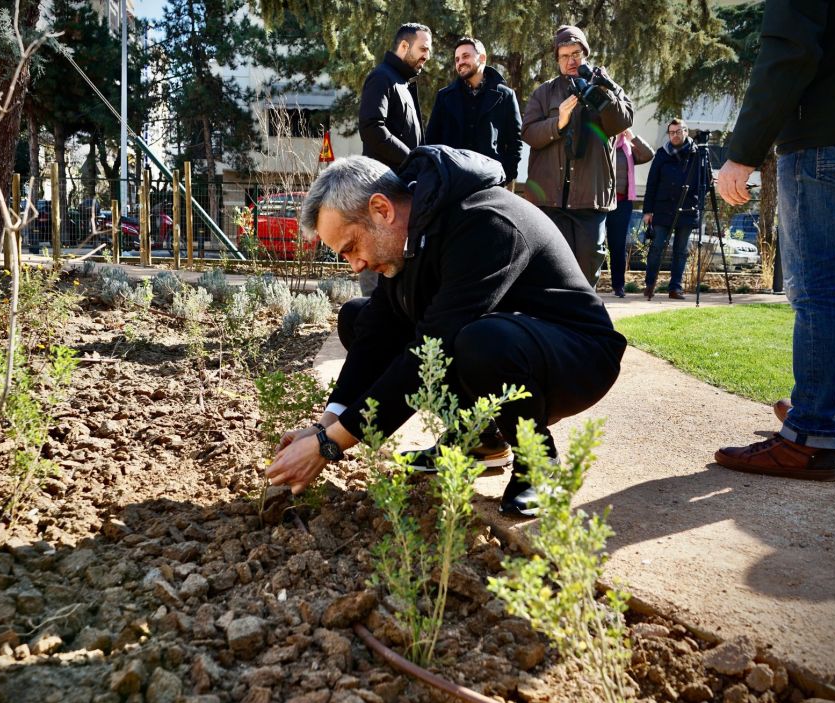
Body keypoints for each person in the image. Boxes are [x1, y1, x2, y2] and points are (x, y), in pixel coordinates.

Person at [263, 147, 627, 516]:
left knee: (478, 342)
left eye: (352, 246)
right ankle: (481, 439)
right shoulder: (411, 235)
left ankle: (539, 464)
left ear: (381, 210)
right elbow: (378, 331)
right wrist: (325, 425)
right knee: (359, 316)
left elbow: (431, 348)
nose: (356, 264)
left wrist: (332, 444)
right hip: (506, 342)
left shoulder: (484, 221)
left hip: (578, 355)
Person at [713, 0, 835, 481]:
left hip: (827, 136)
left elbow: (788, 51)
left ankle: (809, 437)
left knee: (821, 287)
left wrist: (743, 153)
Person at [521, 25, 634, 286]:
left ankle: (583, 325)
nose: (571, 60)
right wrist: (558, 122)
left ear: (585, 54)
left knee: (586, 271)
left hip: (589, 200)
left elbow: (622, 121)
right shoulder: (544, 93)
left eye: (576, 53)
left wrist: (603, 92)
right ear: (557, 60)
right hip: (549, 200)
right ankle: (548, 325)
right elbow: (528, 133)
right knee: (549, 271)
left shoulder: (606, 84)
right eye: (564, 55)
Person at [356, 22, 432, 296]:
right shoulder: (382, 78)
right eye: (423, 48)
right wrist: (413, 158)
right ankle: (370, 315)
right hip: (382, 186)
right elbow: (372, 128)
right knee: (376, 252)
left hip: (398, 188)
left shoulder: (403, 83)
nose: (427, 55)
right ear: (403, 46)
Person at [425, 37, 522, 185]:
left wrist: (506, 175)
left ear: (482, 58)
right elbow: (432, 141)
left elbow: (515, 141)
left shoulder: (506, 95)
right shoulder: (444, 96)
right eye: (457, 59)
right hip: (452, 180)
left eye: (466, 56)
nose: (460, 62)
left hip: (490, 180)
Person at [641, 119, 707, 300]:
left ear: (686, 132)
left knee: (681, 251)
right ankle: (650, 284)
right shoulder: (662, 154)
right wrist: (648, 211)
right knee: (656, 248)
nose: (675, 135)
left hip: (688, 208)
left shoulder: (698, 153)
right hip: (663, 208)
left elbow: (706, 182)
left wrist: (697, 200)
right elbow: (652, 183)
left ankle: (675, 288)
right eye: (672, 132)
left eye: (679, 131)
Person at [605, 129, 653, 297]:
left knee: (617, 246)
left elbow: (648, 154)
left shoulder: (628, 148)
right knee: (592, 244)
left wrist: (632, 137)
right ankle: (589, 285)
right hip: (600, 202)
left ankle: (618, 286)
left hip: (622, 203)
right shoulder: (603, 143)